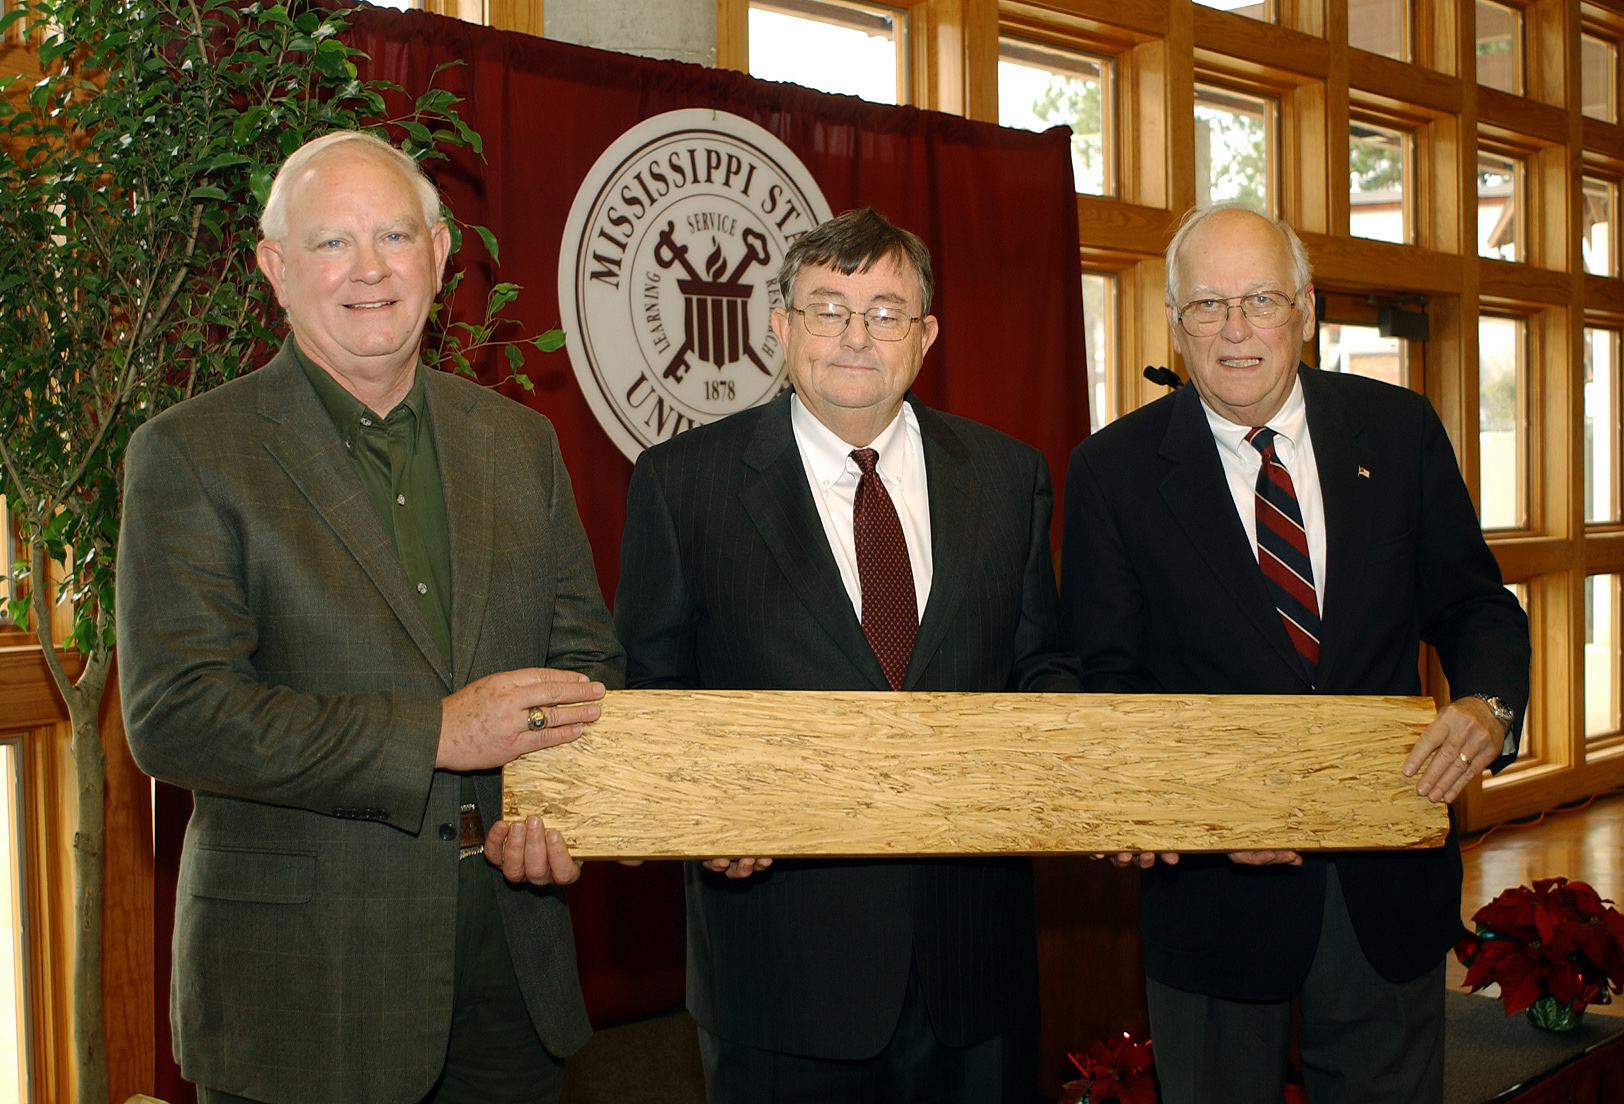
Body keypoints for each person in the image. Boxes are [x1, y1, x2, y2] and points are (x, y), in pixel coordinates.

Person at [116, 131, 624, 1104]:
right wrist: (436, 734)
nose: (370, 270)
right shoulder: (188, 455)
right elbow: (179, 714)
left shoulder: (518, 445)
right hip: (306, 999)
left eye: (393, 234)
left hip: (509, 981)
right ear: (273, 267)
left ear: (440, 253)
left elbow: (586, 664)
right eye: (330, 243)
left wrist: (558, 803)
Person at [1059, 201, 1531, 1104]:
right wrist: (1205, 810)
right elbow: (1105, 684)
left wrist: (1488, 707)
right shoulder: (1112, 473)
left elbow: (1478, 608)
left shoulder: (1399, 433)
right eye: (1208, 306)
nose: (1235, 330)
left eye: (1262, 299)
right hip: (1211, 900)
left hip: (1384, 881)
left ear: (1306, 311)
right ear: (1174, 321)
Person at [614, 206, 1081, 1102]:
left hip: (973, 968)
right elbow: (650, 695)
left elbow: (1041, 671)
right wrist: (702, 818)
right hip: (781, 971)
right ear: (782, 328)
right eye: (828, 308)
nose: (855, 336)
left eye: (884, 312)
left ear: (926, 335)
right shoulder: (683, 486)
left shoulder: (1008, 476)